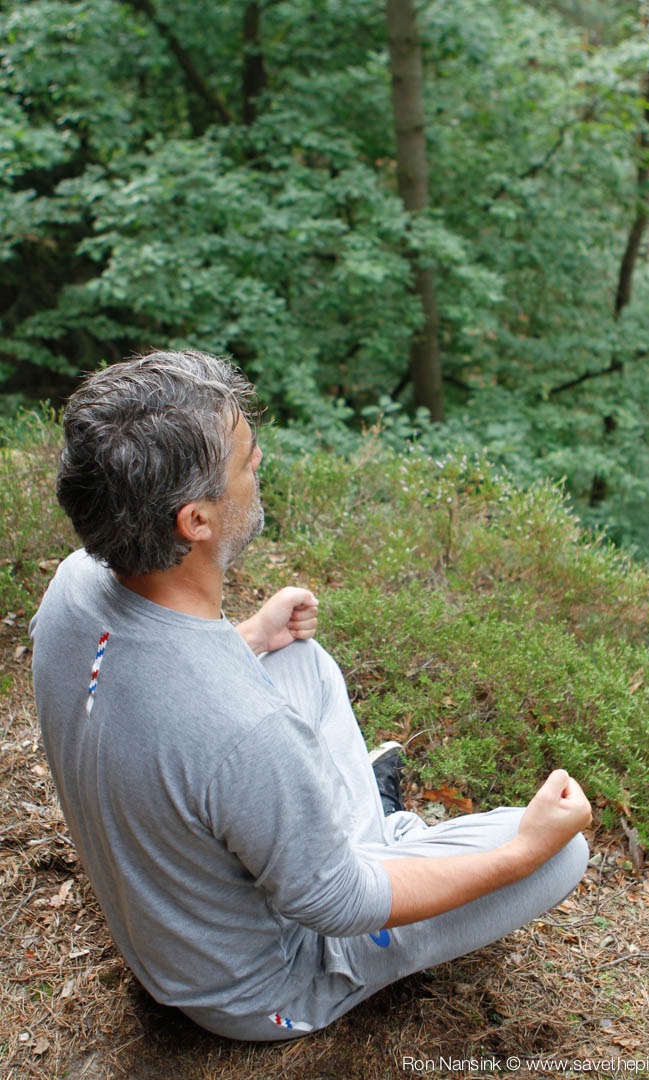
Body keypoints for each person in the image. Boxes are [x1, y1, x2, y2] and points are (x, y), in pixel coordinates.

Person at [30, 350, 591, 1042]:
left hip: (169, 914)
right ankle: (389, 838)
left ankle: (370, 833)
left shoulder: (72, 588)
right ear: (195, 521)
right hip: (257, 986)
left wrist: (249, 637)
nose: (259, 462)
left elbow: (157, 694)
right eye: (246, 459)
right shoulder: (245, 732)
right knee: (565, 854)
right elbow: (339, 903)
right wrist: (522, 853)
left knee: (302, 661)